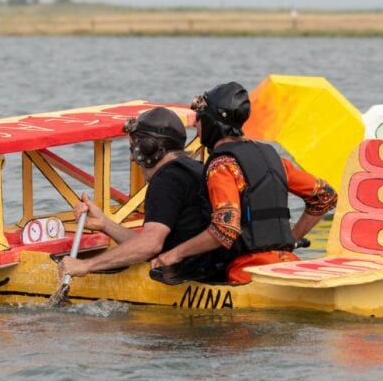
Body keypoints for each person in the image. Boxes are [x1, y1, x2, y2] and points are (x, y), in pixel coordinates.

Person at [150, 81, 338, 284]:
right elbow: (325, 195)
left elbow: (226, 229)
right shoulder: (273, 158)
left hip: (246, 273)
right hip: (286, 264)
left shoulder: (222, 165)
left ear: (213, 122)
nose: (195, 124)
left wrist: (174, 254)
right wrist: (289, 241)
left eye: (199, 118)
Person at [57, 107, 224, 283]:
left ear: (149, 148)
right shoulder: (197, 169)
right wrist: (105, 224)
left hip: (190, 279)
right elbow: (146, 242)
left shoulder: (166, 180)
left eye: (133, 149)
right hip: (214, 269)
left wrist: (86, 265)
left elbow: (151, 245)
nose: (132, 159)